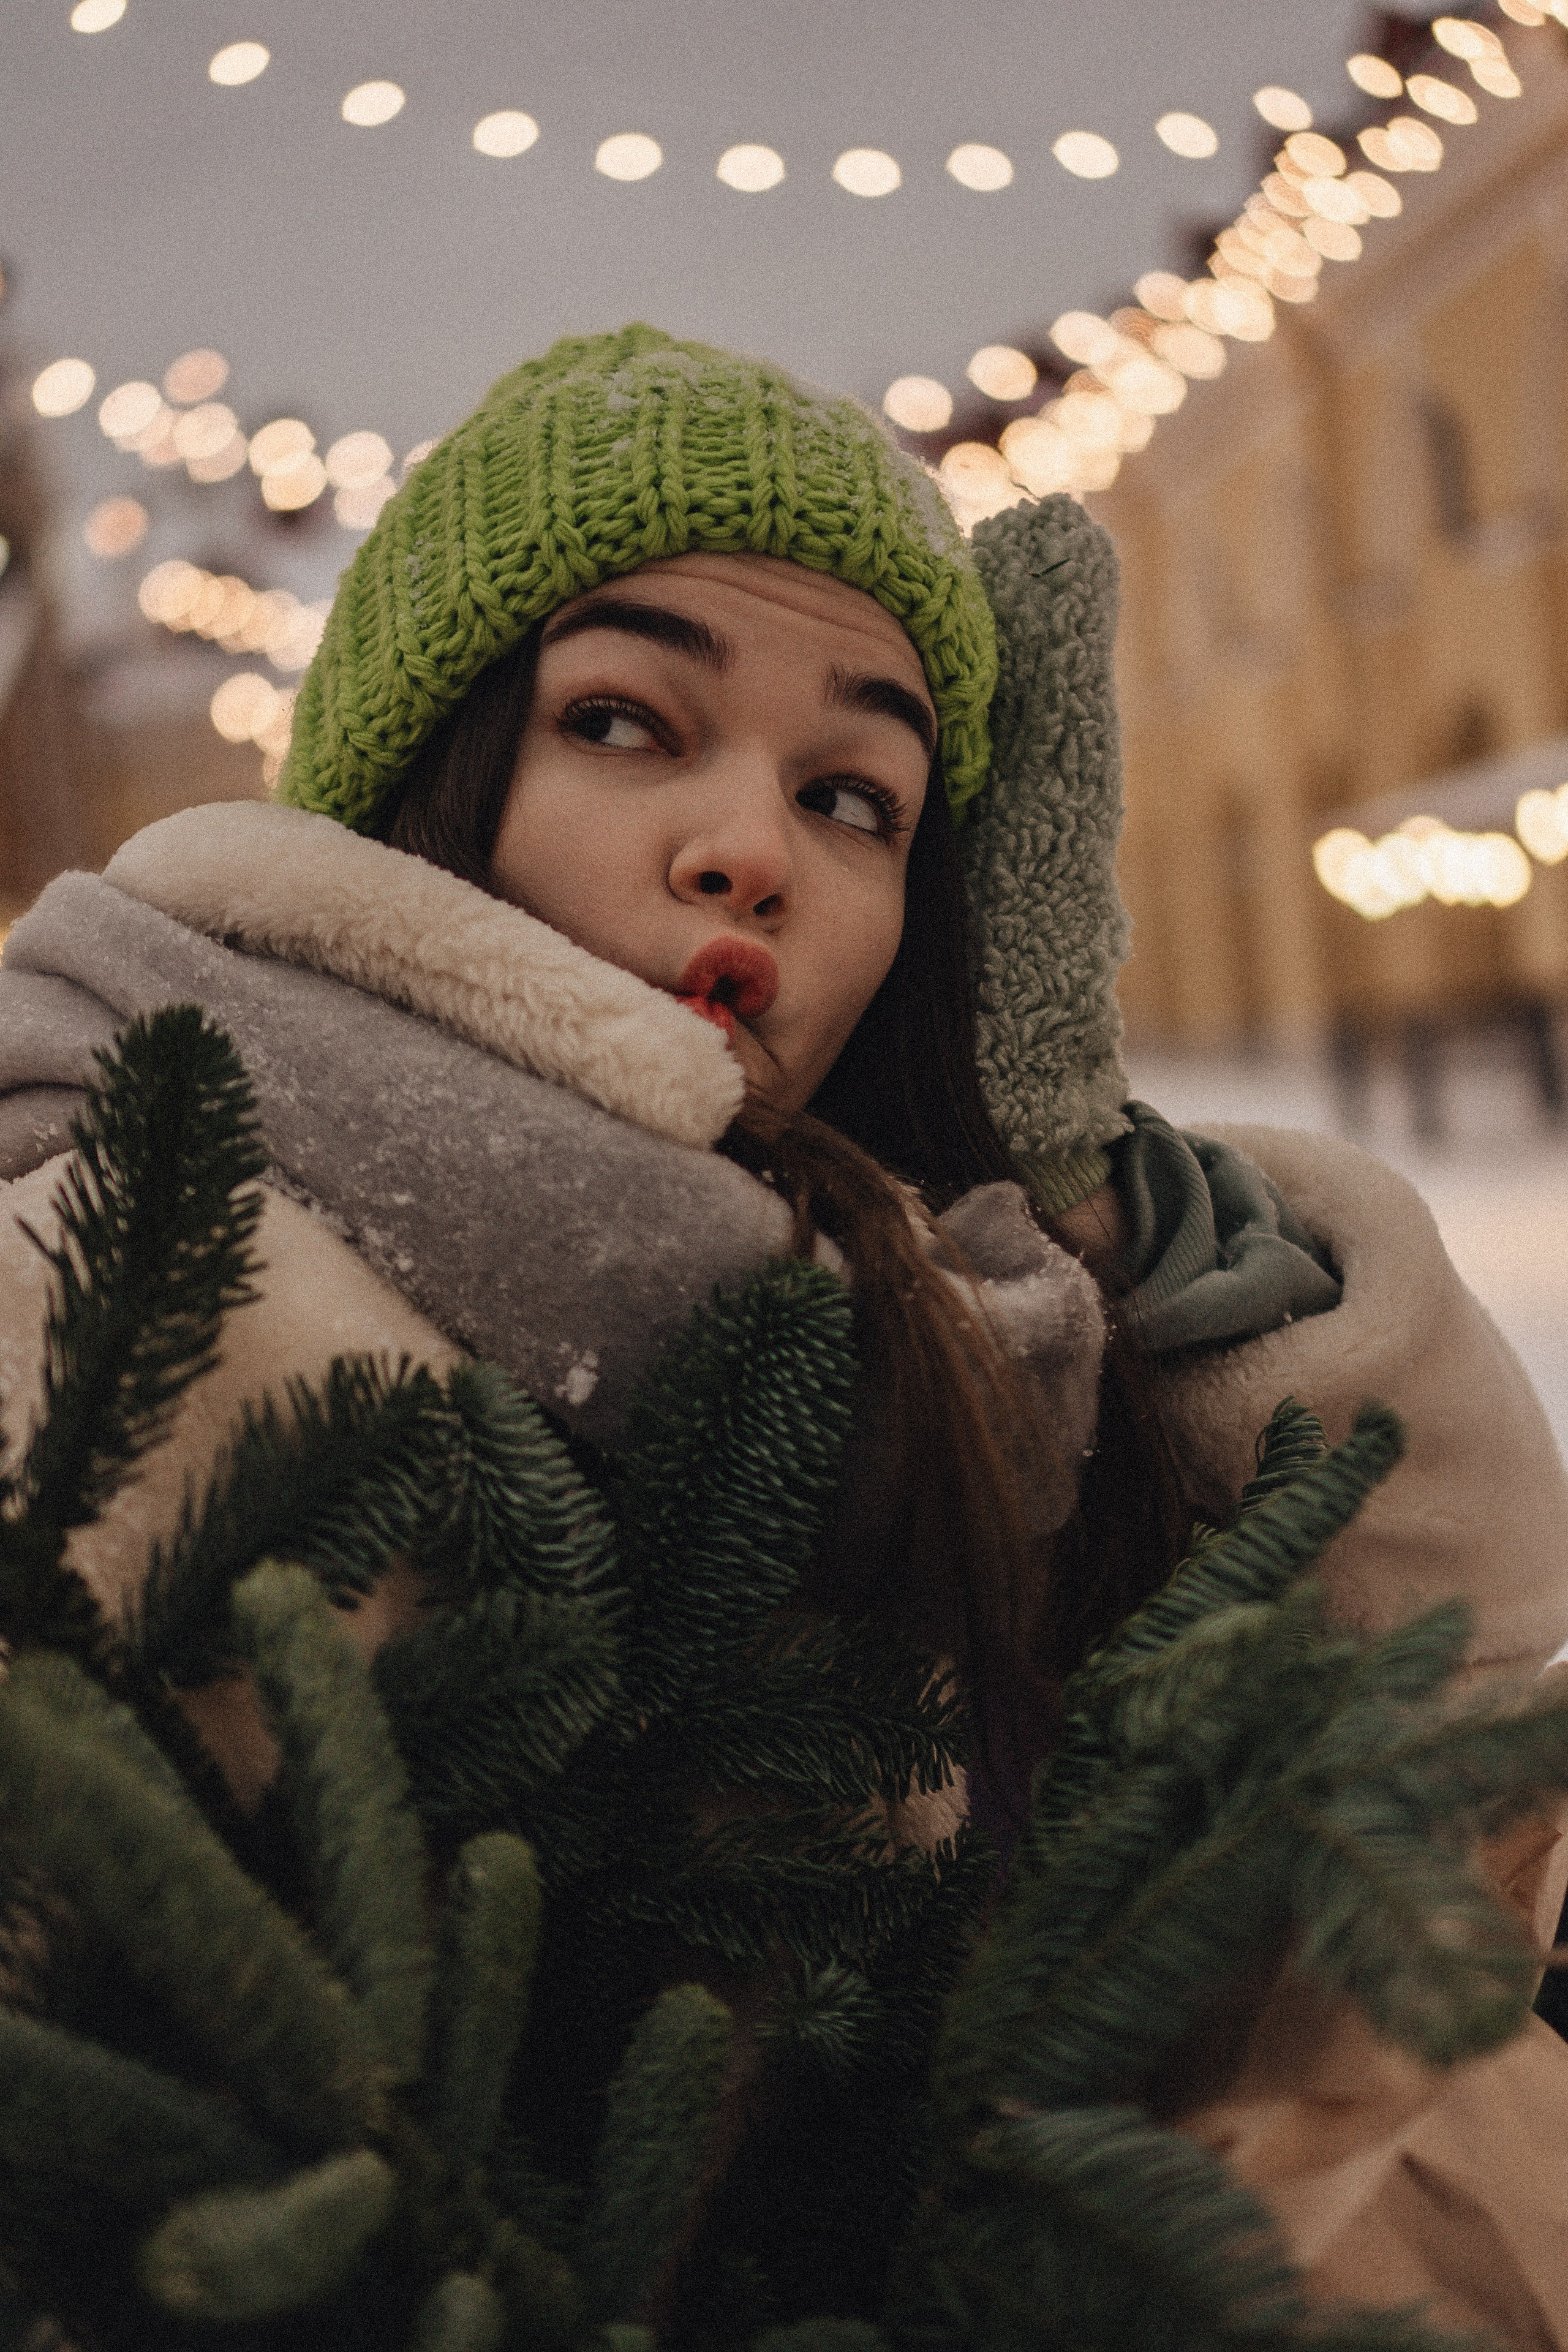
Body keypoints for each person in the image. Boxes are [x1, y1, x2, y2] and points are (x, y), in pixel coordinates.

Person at [2, 323, 1567, 2338]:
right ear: (424, 777)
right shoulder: (133, 1280)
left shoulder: (947, 1339)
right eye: (624, 722)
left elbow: (1379, 1893)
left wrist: (1107, 1223)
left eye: (855, 796)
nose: (753, 848)